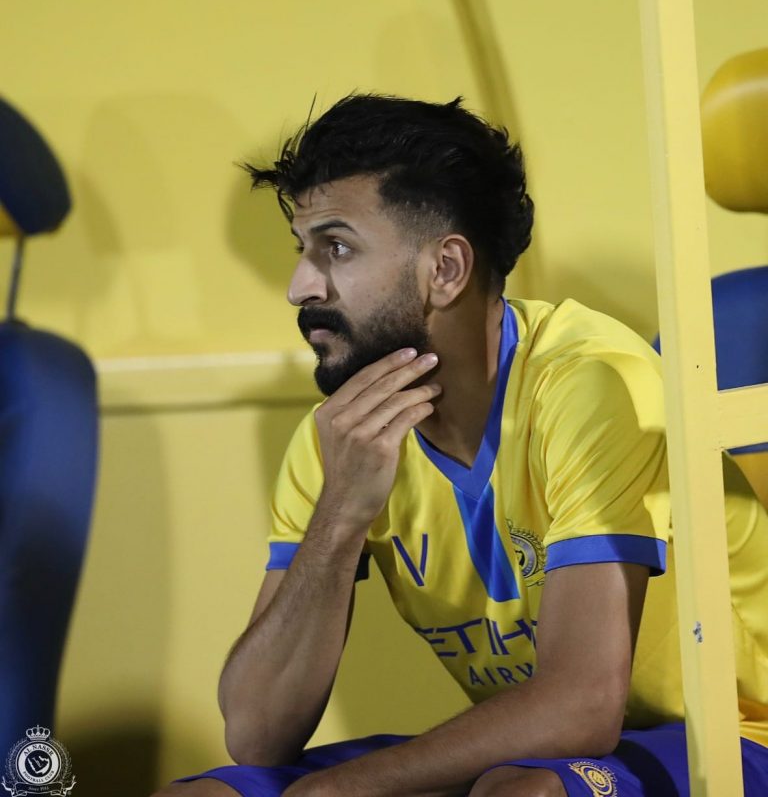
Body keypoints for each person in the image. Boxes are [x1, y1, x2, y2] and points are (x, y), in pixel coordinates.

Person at [154, 94, 768, 797]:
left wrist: (339, 789)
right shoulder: (337, 441)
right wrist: (340, 513)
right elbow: (258, 733)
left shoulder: (593, 381)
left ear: (446, 269)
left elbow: (582, 705)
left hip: (737, 735)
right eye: (303, 250)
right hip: (540, 751)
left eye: (337, 248)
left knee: (520, 794)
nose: (300, 287)